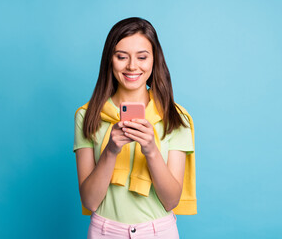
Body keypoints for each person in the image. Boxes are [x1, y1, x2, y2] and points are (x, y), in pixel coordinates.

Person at [73, 17, 197, 239]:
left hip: (159, 232)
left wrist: (151, 149)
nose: (132, 66)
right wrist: (110, 150)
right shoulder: (87, 116)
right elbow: (90, 201)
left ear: (154, 60)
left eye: (142, 57)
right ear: (109, 60)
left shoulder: (176, 118)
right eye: (121, 57)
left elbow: (171, 201)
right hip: (105, 231)